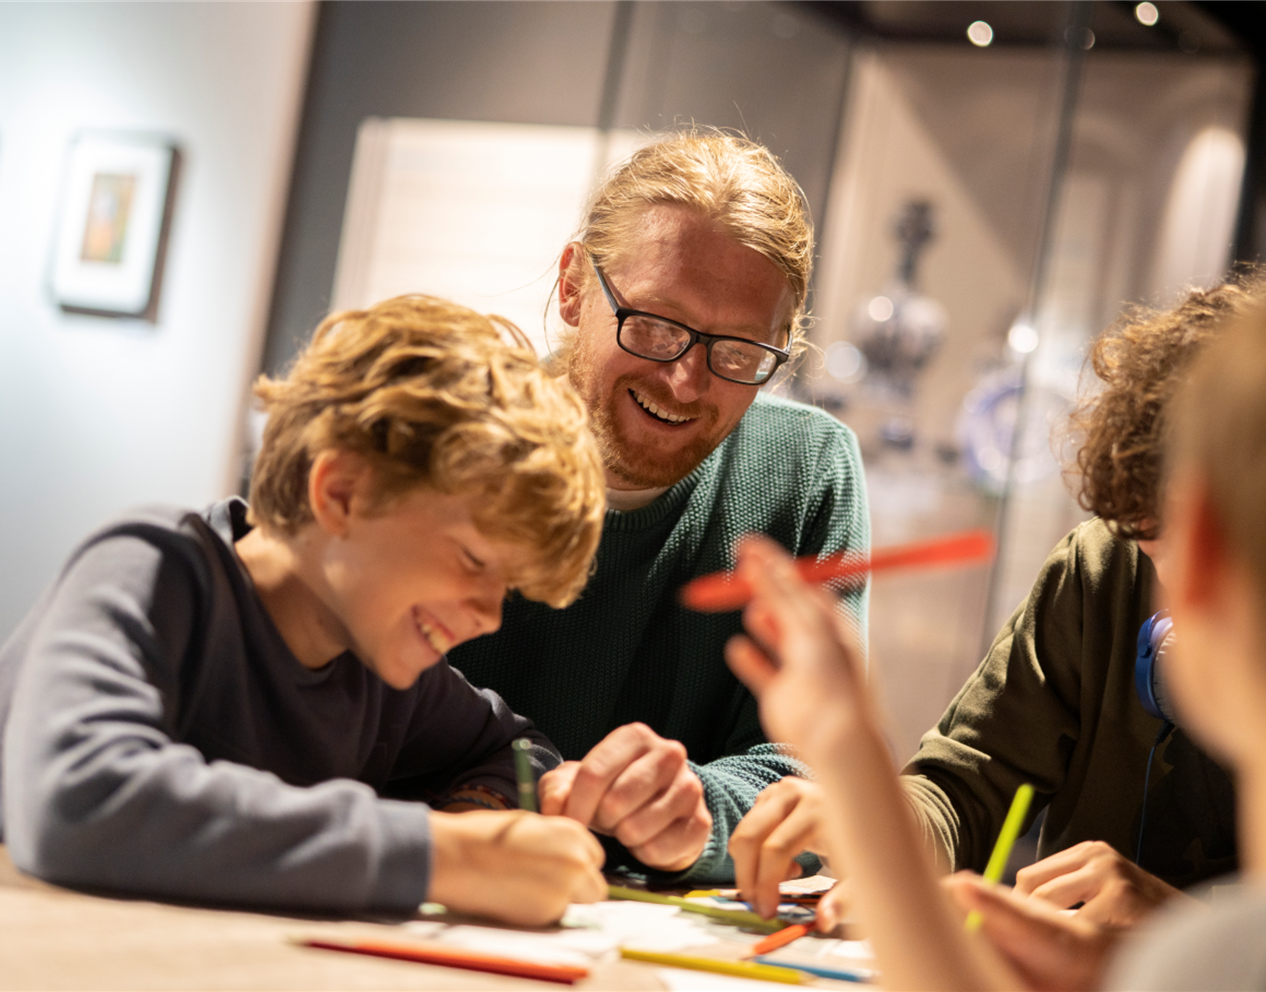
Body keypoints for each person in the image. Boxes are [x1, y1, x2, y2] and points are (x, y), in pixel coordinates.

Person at [0, 295, 608, 925]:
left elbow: (519, 750)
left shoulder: (381, 669)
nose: (490, 616)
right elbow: (75, 800)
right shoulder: (154, 568)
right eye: (474, 560)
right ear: (340, 493)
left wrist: (476, 815)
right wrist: (442, 855)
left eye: (505, 586)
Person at [725, 301, 1266, 991]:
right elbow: (964, 789)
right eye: (1145, 541)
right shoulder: (1100, 569)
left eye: (1178, 549)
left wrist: (1183, 934)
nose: (1168, 594)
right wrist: (868, 821)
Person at [448, 129, 870, 880]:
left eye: (738, 353)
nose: (684, 382)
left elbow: (811, 772)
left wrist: (692, 811)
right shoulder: (445, 435)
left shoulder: (805, 469)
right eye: (654, 326)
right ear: (574, 286)